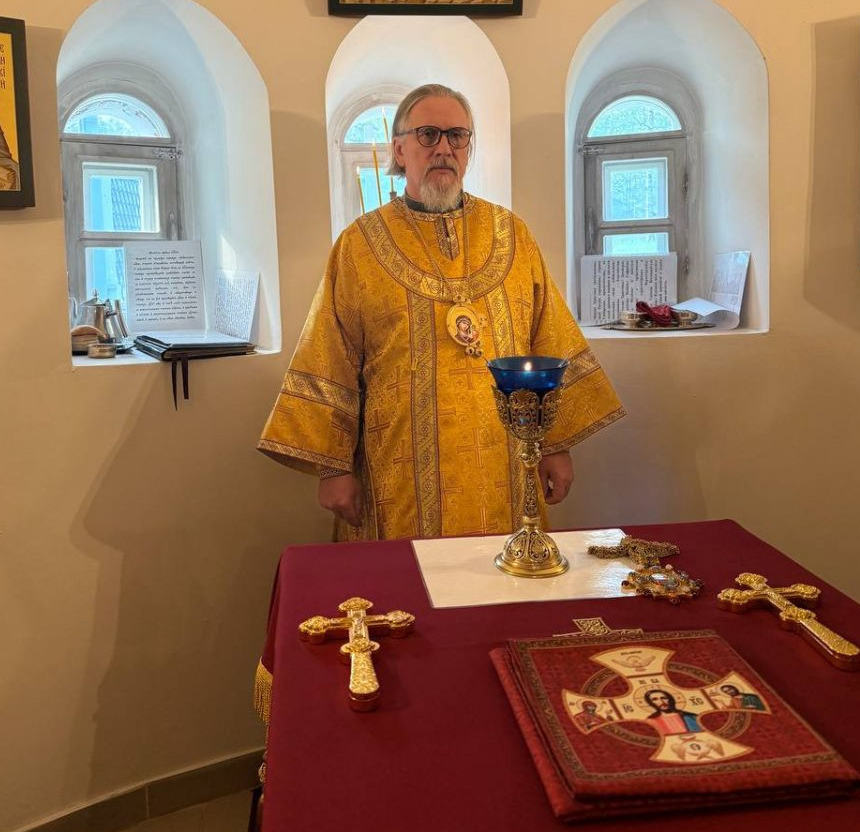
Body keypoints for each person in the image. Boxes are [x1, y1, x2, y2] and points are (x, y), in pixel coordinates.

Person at [258, 83, 624, 541]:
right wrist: (334, 469)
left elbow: (548, 341)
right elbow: (331, 356)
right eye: (428, 134)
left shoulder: (512, 235)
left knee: (503, 575)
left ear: (469, 147)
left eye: (457, 136)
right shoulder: (359, 245)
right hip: (397, 469)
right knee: (404, 580)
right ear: (399, 149)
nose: (444, 149)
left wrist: (555, 444)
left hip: (507, 460)